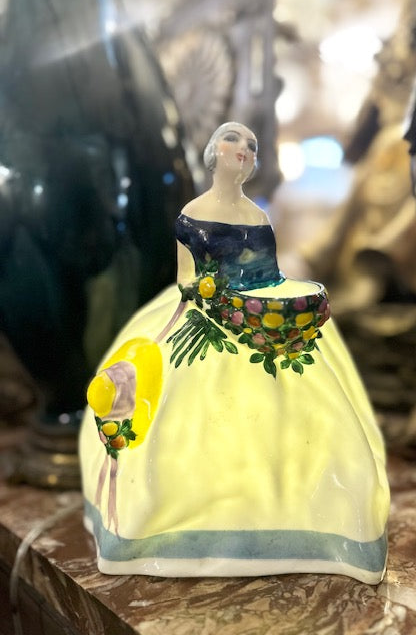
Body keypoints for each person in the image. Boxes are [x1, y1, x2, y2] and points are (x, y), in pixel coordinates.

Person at [79, 122, 389, 583]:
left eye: (251, 145)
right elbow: (186, 276)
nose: (243, 149)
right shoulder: (192, 214)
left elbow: (270, 274)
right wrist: (212, 298)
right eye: (233, 140)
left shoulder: (259, 217)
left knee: (317, 408)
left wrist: (274, 302)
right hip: (206, 310)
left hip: (263, 313)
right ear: (214, 152)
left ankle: (322, 520)